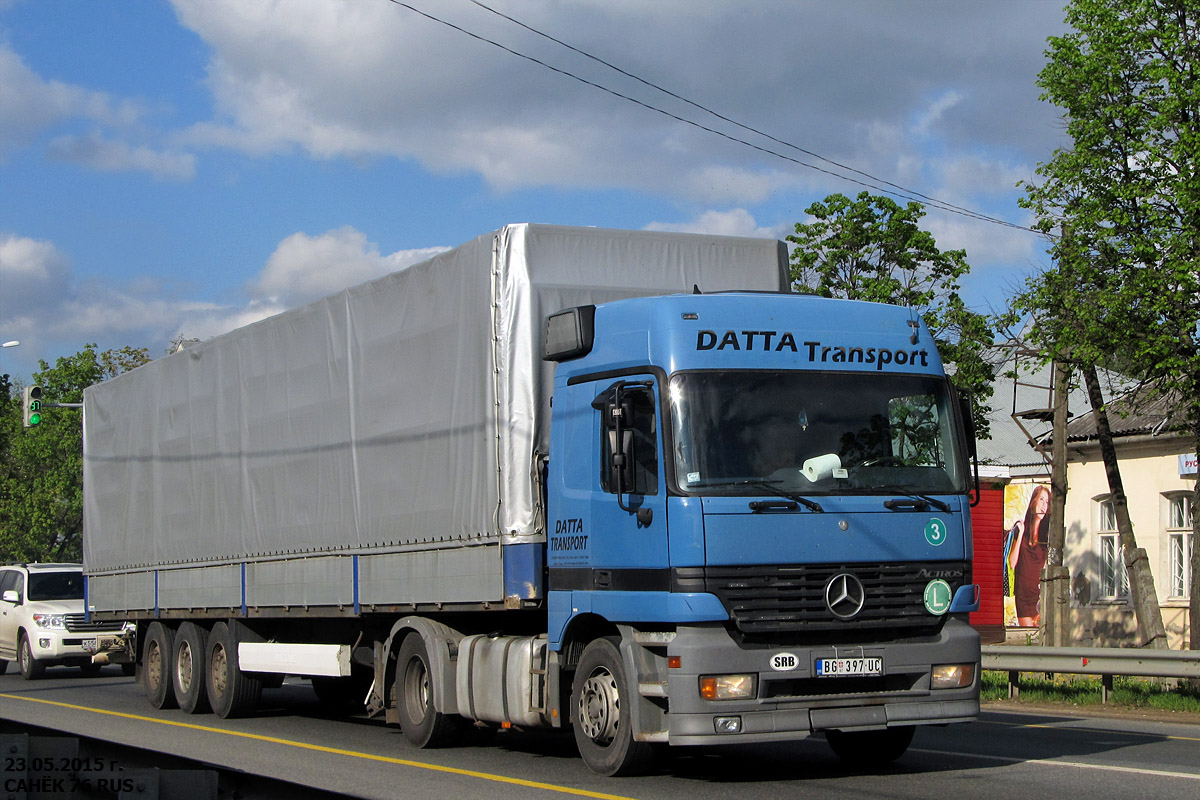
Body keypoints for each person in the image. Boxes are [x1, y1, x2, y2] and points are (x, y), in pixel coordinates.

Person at [1007, 485, 1051, 628]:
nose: (1044, 505)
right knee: (1027, 636)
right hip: (1023, 595)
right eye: (1042, 500)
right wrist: (1020, 535)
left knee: (1042, 639)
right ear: (1033, 502)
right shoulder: (1021, 532)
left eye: (1047, 502)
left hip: (1040, 596)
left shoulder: (1047, 535)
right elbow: (1012, 563)